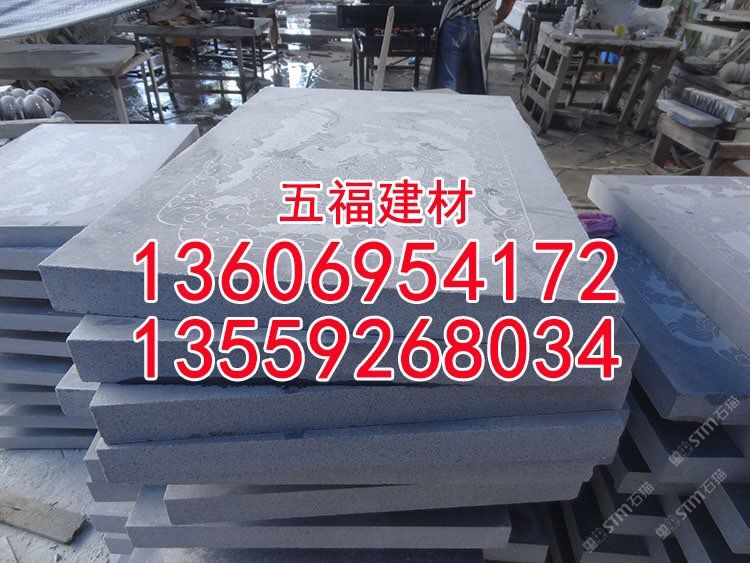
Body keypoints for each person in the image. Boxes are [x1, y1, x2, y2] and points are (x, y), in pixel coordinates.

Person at [428, 0, 517, 94]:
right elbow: (508, 4)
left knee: (448, 83)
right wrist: (490, 21)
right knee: (477, 83)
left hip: (454, 21)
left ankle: (448, 102)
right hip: (481, 26)